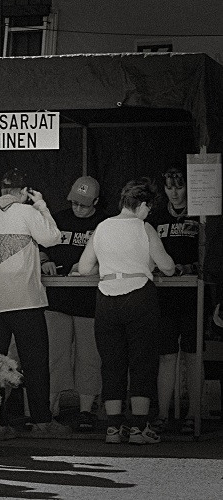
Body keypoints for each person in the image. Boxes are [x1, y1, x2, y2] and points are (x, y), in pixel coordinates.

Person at [78, 177, 175, 445]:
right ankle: (139, 428)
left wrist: (107, 267)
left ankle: (112, 428)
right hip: (139, 296)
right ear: (142, 204)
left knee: (112, 363)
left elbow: (84, 268)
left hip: (106, 297)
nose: (148, 213)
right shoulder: (144, 228)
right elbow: (167, 266)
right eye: (149, 208)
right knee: (142, 362)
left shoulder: (102, 227)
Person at [0, 168, 69, 438]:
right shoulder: (28, 213)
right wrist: (40, 205)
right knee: (35, 362)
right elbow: (53, 237)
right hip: (25, 301)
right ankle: (41, 420)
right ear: (23, 191)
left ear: (1, 191)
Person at [40, 176, 108, 431]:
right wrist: (44, 258)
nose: (78, 208)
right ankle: (50, 408)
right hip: (57, 300)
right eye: (75, 203)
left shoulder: (104, 223)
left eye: (84, 205)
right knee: (54, 356)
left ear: (96, 202)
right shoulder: (58, 219)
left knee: (89, 357)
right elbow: (38, 245)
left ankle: (86, 411)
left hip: (90, 302)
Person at [147, 166, 203, 435]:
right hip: (165, 295)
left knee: (193, 355)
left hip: (194, 294)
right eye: (170, 188)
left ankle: (194, 412)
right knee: (167, 356)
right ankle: (162, 413)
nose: (175, 193)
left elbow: (210, 255)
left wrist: (191, 267)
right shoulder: (156, 216)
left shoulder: (201, 213)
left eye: (179, 187)